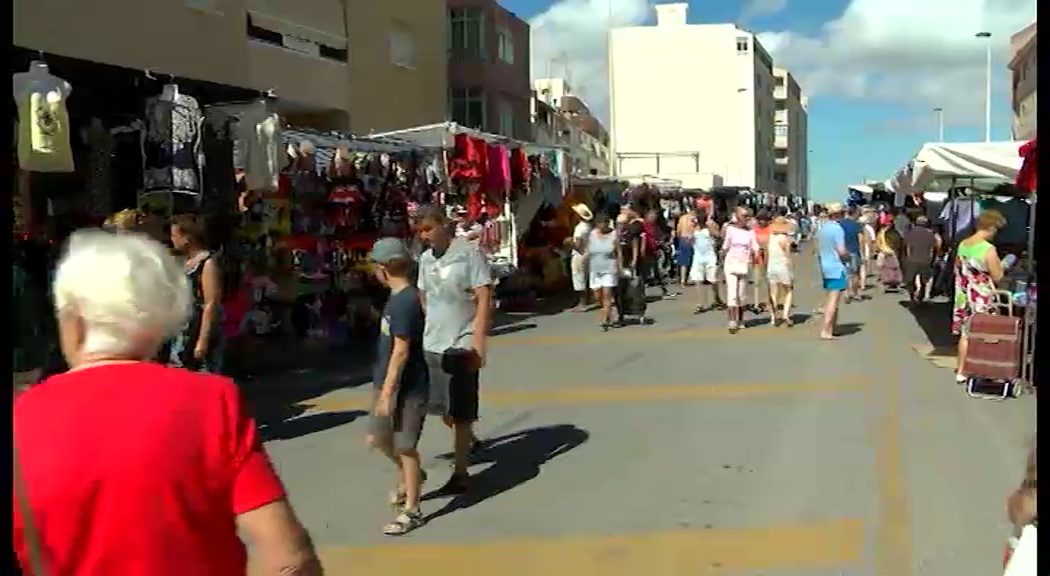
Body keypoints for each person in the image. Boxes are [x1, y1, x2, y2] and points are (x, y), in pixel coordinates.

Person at [13, 230, 320, 576]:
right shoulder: (209, 400)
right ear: (161, 319)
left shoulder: (21, 419)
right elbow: (289, 557)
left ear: (75, 320)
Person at [415, 205, 493, 494]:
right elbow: (424, 296)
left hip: (461, 342)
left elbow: (484, 296)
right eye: (420, 231)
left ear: (443, 225)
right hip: (432, 343)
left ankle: (460, 471)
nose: (424, 236)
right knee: (443, 411)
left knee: (459, 411)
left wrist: (478, 340)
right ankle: (469, 437)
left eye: (428, 229)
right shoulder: (424, 260)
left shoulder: (468, 253)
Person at [366, 238, 429, 535]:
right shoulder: (397, 298)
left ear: (382, 269)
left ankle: (412, 509)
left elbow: (401, 350)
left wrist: (388, 393)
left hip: (409, 386)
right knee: (378, 438)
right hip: (385, 380)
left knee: (405, 446)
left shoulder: (405, 301)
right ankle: (412, 475)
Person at [952, 209, 1007, 384]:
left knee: (965, 334)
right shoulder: (988, 249)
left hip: (963, 294)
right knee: (986, 333)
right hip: (981, 296)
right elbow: (997, 276)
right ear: (991, 228)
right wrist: (1004, 265)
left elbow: (957, 269)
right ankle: (983, 369)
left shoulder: (963, 244)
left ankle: (961, 371)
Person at [170, 214, 224, 373]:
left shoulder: (207, 263)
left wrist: (203, 340)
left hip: (197, 328)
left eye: (175, 235)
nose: (172, 239)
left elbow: (211, 303)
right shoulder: (183, 262)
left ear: (187, 237)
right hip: (182, 330)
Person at [721, 207, 759, 334]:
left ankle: (741, 320)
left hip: (744, 264)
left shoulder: (750, 232)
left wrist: (756, 258)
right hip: (731, 263)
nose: (746, 218)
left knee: (742, 295)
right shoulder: (730, 230)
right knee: (732, 294)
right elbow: (726, 246)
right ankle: (732, 321)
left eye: (748, 216)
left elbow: (755, 247)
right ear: (737, 217)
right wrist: (720, 259)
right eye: (744, 216)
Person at [815, 203, 850, 340]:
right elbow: (841, 250)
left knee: (830, 297)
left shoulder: (823, 228)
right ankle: (826, 330)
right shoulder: (838, 229)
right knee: (833, 300)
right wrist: (848, 257)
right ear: (840, 214)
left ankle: (832, 327)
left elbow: (817, 248)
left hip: (825, 265)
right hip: (836, 266)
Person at [586, 214, 621, 330]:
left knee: (607, 294)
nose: (602, 225)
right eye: (599, 223)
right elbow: (588, 249)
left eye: (604, 223)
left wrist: (620, 267)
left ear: (607, 223)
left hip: (609, 267)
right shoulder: (592, 234)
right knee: (597, 295)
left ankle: (605, 319)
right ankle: (607, 313)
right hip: (595, 268)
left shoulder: (614, 234)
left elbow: (619, 252)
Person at [689, 208, 725, 313]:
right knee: (698, 279)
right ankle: (700, 303)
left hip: (710, 256)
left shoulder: (710, 226)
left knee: (713, 279)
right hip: (698, 256)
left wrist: (710, 230)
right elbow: (689, 240)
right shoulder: (693, 228)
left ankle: (717, 299)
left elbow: (719, 236)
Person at [902, 215, 941, 304]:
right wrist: (933, 258)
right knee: (924, 280)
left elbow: (905, 247)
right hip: (926, 260)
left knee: (910, 280)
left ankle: (912, 296)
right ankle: (921, 294)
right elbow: (934, 248)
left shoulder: (910, 233)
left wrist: (905, 258)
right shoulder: (930, 234)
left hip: (912, 259)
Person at [766, 216, 796, 326]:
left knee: (773, 293)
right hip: (783, 266)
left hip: (771, 266)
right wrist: (792, 268)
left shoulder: (771, 237)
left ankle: (773, 318)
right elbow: (787, 255)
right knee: (788, 291)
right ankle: (785, 315)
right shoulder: (785, 239)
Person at [568, 203, 594, 312]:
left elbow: (578, 246)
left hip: (579, 255)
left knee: (579, 278)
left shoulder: (579, 228)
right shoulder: (589, 227)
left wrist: (569, 243)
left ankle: (582, 303)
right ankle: (588, 299)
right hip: (589, 253)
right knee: (587, 277)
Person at [643, 209, 673, 298]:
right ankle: (642, 293)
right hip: (647, 252)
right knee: (645, 274)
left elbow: (660, 237)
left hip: (655, 251)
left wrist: (662, 244)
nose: (654, 218)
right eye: (652, 216)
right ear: (647, 216)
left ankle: (664, 291)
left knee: (658, 273)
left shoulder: (655, 226)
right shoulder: (643, 225)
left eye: (655, 216)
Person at [837, 209, 865, 302]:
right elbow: (861, 239)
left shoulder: (840, 224)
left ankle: (846, 294)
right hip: (854, 251)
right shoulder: (857, 225)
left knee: (845, 273)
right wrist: (862, 252)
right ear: (855, 214)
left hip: (843, 251)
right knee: (855, 274)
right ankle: (855, 293)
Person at [750, 210, 774, 314]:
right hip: (757, 258)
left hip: (770, 258)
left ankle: (771, 303)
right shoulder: (754, 231)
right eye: (758, 220)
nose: (760, 222)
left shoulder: (771, 230)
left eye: (762, 220)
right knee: (756, 281)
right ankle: (756, 303)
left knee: (770, 281)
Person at [675, 207, 697, 285]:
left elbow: (678, 231)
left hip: (683, 239)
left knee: (683, 262)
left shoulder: (682, 218)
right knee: (693, 260)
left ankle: (683, 279)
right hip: (692, 239)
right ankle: (691, 278)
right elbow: (697, 230)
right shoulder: (694, 219)